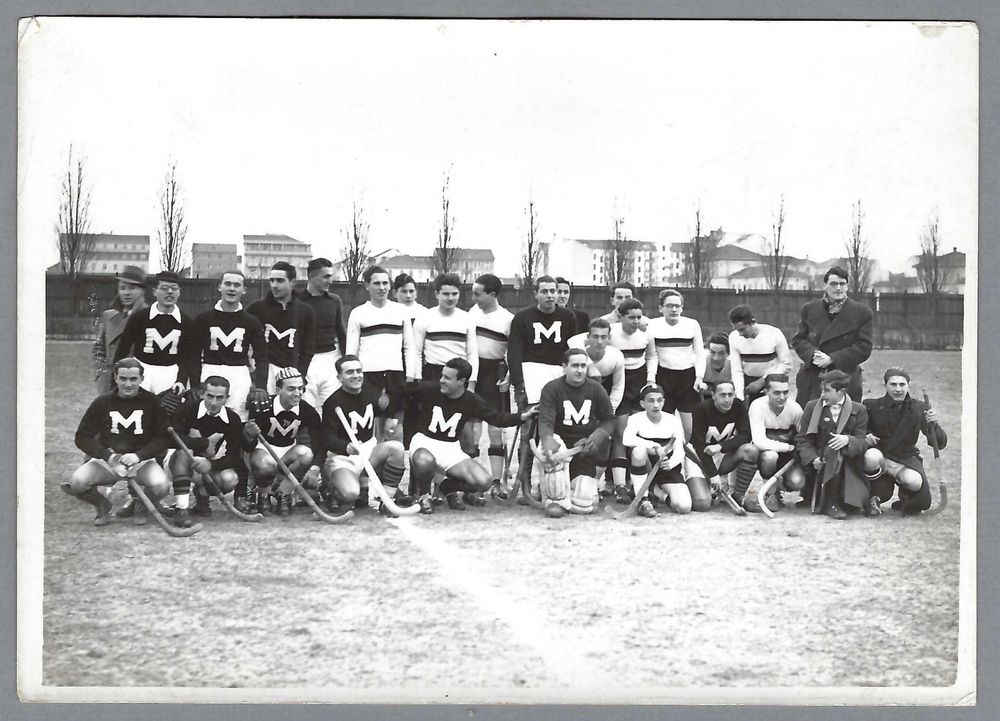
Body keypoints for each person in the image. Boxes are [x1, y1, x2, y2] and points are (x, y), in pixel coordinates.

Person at [406, 358, 534, 514]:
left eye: (447, 378)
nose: (442, 381)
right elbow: (401, 392)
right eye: (442, 376)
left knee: (484, 482)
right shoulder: (429, 389)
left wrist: (522, 416)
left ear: (461, 381)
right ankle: (423, 494)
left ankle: (446, 488)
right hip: (424, 442)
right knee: (424, 460)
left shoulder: (471, 400)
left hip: (450, 447)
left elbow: (496, 418)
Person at [64, 357, 170, 526]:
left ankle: (141, 505)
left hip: (140, 462)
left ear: (142, 379)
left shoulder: (152, 402)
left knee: (162, 486)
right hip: (109, 461)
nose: (128, 384)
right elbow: (82, 437)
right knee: (78, 482)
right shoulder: (102, 402)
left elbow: (163, 438)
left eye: (133, 379)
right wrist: (108, 456)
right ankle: (102, 505)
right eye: (123, 378)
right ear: (115, 378)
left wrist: (139, 455)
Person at [320, 355, 407, 516]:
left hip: (368, 450)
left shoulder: (370, 392)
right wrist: (345, 447)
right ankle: (332, 489)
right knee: (350, 494)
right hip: (344, 457)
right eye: (350, 372)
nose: (356, 375)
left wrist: (384, 408)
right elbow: (326, 437)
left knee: (396, 448)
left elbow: (376, 410)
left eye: (359, 371)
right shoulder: (333, 402)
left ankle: (387, 500)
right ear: (339, 377)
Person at [537, 348, 616, 518]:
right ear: (564, 367)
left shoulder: (596, 389)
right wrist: (548, 440)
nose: (579, 370)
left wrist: (594, 439)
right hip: (561, 446)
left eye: (583, 366)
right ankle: (555, 498)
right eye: (574, 366)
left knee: (585, 504)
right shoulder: (552, 388)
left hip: (583, 449)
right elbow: (545, 420)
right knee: (553, 453)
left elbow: (609, 420)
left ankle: (563, 492)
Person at [862, 367, 948, 515]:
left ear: (908, 385)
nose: (898, 389)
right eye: (893, 384)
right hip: (881, 458)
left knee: (915, 481)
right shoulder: (871, 405)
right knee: (871, 456)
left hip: (904, 459)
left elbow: (940, 443)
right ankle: (873, 497)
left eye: (902, 384)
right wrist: (867, 437)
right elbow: (861, 431)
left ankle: (905, 499)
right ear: (885, 386)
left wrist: (934, 424)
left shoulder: (919, 407)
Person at [243, 367, 325, 517]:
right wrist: (248, 434)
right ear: (278, 390)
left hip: (288, 452)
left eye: (300, 388)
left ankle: (283, 493)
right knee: (265, 464)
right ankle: (263, 494)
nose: (297, 393)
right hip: (262, 451)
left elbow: (318, 445)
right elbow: (248, 447)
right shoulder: (264, 406)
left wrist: (315, 468)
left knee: (306, 454)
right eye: (291, 389)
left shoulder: (307, 411)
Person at [167, 375, 247, 528]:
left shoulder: (232, 419)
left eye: (219, 398)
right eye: (210, 396)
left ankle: (202, 495)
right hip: (177, 464)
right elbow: (173, 439)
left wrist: (211, 465)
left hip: (204, 467)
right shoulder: (188, 408)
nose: (214, 402)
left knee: (230, 479)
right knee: (185, 451)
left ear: (227, 398)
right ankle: (181, 508)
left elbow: (233, 456)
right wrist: (202, 443)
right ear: (202, 394)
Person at [346, 265, 417, 435]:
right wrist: (353, 377)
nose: (382, 287)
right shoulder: (358, 313)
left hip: (395, 375)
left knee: (394, 429)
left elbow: (409, 346)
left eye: (385, 283)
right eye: (377, 283)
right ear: (367, 286)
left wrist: (410, 376)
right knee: (371, 427)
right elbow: (351, 352)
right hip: (368, 376)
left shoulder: (401, 311)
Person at [189, 270, 269, 421]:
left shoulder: (252, 321)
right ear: (220, 287)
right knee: (206, 417)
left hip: (238, 375)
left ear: (244, 290)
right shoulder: (203, 318)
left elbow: (262, 356)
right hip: (210, 371)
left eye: (237, 285)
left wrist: (260, 385)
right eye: (228, 284)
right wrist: (195, 383)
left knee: (237, 418)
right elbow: (193, 355)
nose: (232, 288)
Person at [791, 266, 873, 406]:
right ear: (825, 286)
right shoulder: (809, 309)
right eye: (833, 284)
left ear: (847, 286)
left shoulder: (862, 312)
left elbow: (863, 347)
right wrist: (813, 355)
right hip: (813, 376)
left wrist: (832, 359)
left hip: (845, 378)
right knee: (811, 415)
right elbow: (799, 339)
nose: (838, 288)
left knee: (843, 417)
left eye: (842, 284)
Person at [794, 369, 870, 519]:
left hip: (849, 463)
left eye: (827, 391)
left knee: (836, 450)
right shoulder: (811, 407)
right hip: (819, 463)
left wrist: (848, 440)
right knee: (832, 450)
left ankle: (844, 499)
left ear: (841, 392)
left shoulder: (859, 410)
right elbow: (802, 439)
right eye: (822, 390)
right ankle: (830, 503)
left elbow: (862, 442)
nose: (822, 394)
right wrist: (812, 459)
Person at [605, 298, 657, 501]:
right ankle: (619, 486)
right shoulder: (611, 332)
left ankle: (640, 485)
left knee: (639, 434)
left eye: (638, 317)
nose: (636, 321)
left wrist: (650, 380)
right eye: (631, 317)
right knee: (620, 433)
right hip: (618, 383)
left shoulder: (646, 333)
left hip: (639, 383)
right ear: (621, 316)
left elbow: (652, 356)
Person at [468, 274, 515, 488]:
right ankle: (472, 482)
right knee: (473, 431)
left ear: (492, 294)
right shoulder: (472, 313)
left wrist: (509, 376)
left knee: (495, 430)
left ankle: (497, 482)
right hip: (474, 373)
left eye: (478, 294)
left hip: (494, 374)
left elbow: (513, 352)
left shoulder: (507, 319)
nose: (473, 298)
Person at [113, 270, 192, 395]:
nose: (170, 292)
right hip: (142, 371)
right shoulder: (140, 317)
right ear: (155, 291)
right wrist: (116, 379)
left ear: (179, 292)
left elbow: (186, 357)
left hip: (170, 374)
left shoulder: (186, 321)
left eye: (174, 288)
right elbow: (123, 349)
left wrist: (181, 380)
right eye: (164, 288)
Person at [247, 261, 316, 394]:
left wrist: (300, 374)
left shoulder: (305, 311)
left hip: (291, 371)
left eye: (280, 280)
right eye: (272, 280)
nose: (274, 285)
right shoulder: (256, 308)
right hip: (264, 371)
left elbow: (308, 348)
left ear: (292, 282)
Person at [687, 381, 758, 508]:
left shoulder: (738, 405)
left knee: (750, 450)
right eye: (722, 395)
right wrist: (713, 475)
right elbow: (698, 445)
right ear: (713, 395)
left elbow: (746, 435)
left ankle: (738, 495)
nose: (727, 399)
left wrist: (721, 446)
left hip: (721, 454)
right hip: (698, 456)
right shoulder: (702, 409)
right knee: (702, 503)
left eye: (730, 395)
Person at [622, 384, 690, 517]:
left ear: (664, 402)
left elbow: (680, 449)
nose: (656, 405)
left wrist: (671, 463)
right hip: (647, 466)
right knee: (638, 452)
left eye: (659, 400)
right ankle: (643, 500)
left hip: (666, 467)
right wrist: (654, 446)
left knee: (684, 507)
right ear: (642, 403)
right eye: (651, 401)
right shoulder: (635, 419)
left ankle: (657, 492)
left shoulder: (673, 420)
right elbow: (626, 439)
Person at [647, 289, 707, 439]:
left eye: (677, 306)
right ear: (660, 308)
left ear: (682, 308)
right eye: (669, 306)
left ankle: (691, 454)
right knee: (664, 428)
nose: (673, 309)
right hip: (663, 377)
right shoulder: (652, 325)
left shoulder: (692, 324)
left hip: (687, 379)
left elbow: (700, 353)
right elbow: (652, 356)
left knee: (690, 429)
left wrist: (699, 377)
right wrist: (651, 380)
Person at [747, 373, 806, 511]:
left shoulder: (795, 408)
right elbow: (759, 441)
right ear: (766, 392)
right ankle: (771, 493)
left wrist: (795, 450)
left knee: (797, 482)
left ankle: (778, 486)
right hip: (764, 455)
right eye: (777, 393)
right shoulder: (757, 406)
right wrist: (788, 447)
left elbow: (803, 436)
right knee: (770, 456)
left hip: (787, 457)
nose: (782, 397)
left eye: (785, 392)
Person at [298, 258, 348, 411]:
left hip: (330, 360)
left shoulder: (334, 301)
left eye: (331, 276)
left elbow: (341, 332)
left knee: (331, 407)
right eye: (326, 276)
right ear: (311, 276)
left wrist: (345, 361)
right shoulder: (297, 301)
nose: (330, 281)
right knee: (307, 407)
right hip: (306, 361)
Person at [412, 273, 478, 386]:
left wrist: (472, 383)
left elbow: (472, 354)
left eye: (454, 294)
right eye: (446, 294)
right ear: (437, 294)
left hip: (459, 374)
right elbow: (416, 352)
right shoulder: (424, 318)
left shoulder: (467, 319)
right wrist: (418, 378)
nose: (450, 298)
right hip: (432, 375)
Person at [93, 265, 148, 394]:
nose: (126, 293)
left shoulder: (148, 316)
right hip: (108, 383)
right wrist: (101, 375)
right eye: (122, 288)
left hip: (133, 384)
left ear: (142, 291)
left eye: (132, 288)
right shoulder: (109, 316)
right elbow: (99, 350)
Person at [727, 304, 792, 402]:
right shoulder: (733, 337)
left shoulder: (774, 334)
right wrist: (740, 397)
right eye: (737, 330)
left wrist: (762, 381)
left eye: (742, 329)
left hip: (773, 381)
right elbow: (736, 370)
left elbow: (786, 364)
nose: (740, 334)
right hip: (748, 383)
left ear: (752, 322)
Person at [568, 318, 625, 413]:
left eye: (603, 337)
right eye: (595, 336)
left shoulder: (616, 356)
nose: (599, 341)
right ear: (588, 337)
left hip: (604, 393)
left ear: (609, 338)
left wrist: (611, 410)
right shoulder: (576, 357)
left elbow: (618, 387)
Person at [702, 332, 732, 401]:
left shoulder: (734, 364)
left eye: (721, 353)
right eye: (712, 352)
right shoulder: (701, 361)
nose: (716, 358)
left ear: (728, 353)